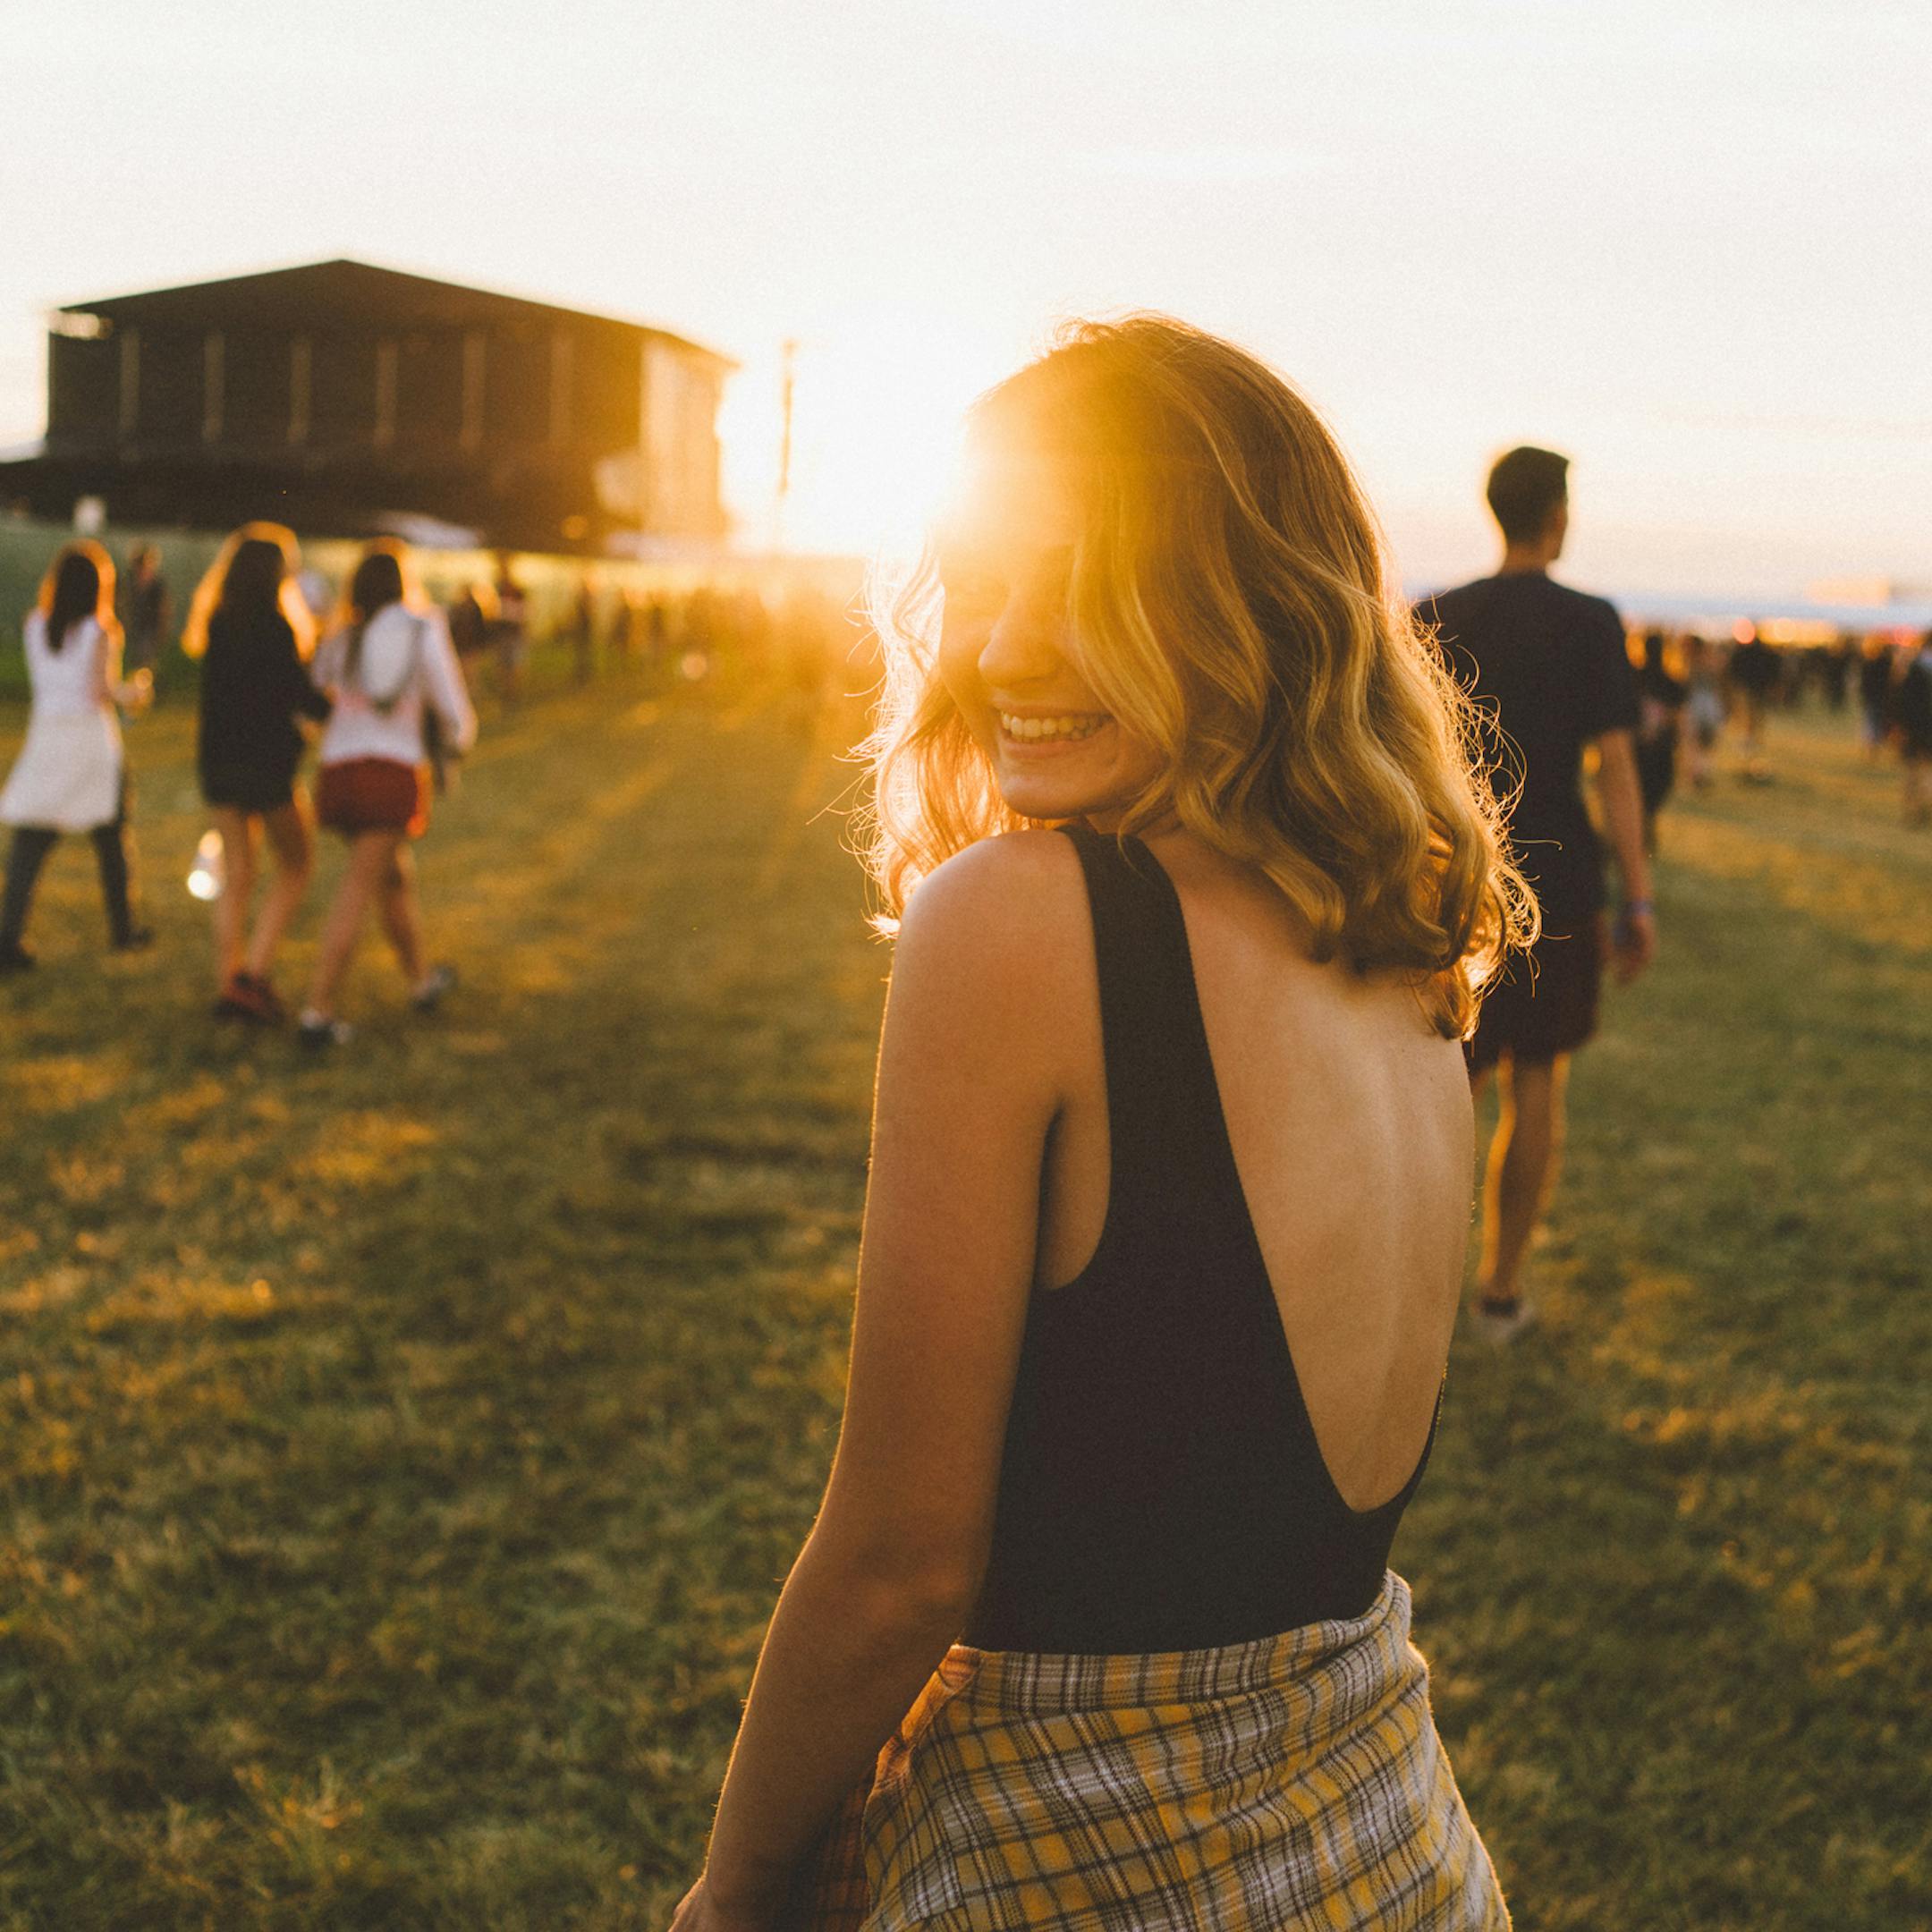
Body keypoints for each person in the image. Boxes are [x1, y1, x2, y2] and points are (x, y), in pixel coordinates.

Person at [668, 318, 1528, 1932]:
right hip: (1390, 1846)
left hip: (1105, 1863)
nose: (1000, 653)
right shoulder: (1404, 952)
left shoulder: (1024, 922)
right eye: (982, 588)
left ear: (1242, 602)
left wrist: (736, 1888)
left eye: (1079, 587)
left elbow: (903, 1557)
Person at [1415, 446, 1654, 1344]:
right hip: (1557, 881)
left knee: (1446, 1087)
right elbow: (1619, 771)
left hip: (1454, 880)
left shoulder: (1436, 613)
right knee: (1538, 1077)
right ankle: (1501, 1290)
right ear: (1556, 515)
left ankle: (1422, 1287)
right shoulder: (1589, 622)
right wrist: (1638, 900)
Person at [299, 540, 476, 1049]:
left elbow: (316, 689)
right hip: (390, 773)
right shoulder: (423, 629)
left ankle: (421, 981)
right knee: (360, 885)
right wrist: (458, 743)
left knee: (392, 878)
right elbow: (453, 708)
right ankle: (318, 1011)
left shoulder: (343, 635)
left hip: (339, 774)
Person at [183, 522, 333, 1022]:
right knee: (297, 862)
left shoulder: (219, 624)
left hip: (219, 766)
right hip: (267, 769)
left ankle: (231, 981)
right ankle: (255, 974)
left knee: (238, 874)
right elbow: (301, 699)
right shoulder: (276, 628)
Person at [0, 540, 153, 969]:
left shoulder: (34, 625)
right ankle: (125, 931)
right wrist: (135, 692)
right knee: (111, 839)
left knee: (29, 844)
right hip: (90, 743)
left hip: (46, 738)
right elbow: (100, 692)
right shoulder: (99, 631)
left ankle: (7, 939)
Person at [1632, 628, 1687, 851]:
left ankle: (1641, 833)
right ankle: (1646, 832)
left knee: (1638, 794)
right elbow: (1678, 721)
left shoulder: (1632, 678)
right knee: (1653, 796)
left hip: (1637, 748)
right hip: (1661, 750)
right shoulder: (1672, 683)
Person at [1890, 630, 1932, 826]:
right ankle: (1922, 810)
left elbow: (1902, 700)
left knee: (1913, 772)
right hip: (1924, 729)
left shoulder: (1913, 668)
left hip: (1915, 730)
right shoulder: (1915, 668)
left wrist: (1899, 727)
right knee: (1926, 773)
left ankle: (1914, 811)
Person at [122, 543, 172, 678]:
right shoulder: (130, 581)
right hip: (136, 627)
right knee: (137, 658)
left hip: (150, 628)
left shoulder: (157, 584)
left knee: (146, 659)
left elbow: (163, 609)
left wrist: (162, 629)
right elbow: (125, 604)